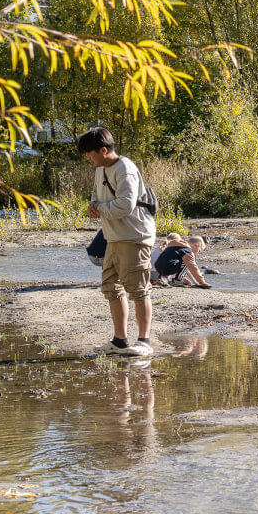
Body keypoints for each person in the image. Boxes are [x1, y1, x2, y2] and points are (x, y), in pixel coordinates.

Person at [80, 126, 157, 357]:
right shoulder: (100, 169)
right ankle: (119, 341)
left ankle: (144, 341)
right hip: (113, 236)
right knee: (111, 287)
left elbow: (126, 205)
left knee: (138, 289)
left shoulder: (125, 169)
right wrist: (93, 206)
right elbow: (96, 194)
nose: (88, 159)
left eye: (90, 155)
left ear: (103, 150)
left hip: (134, 236)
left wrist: (100, 209)